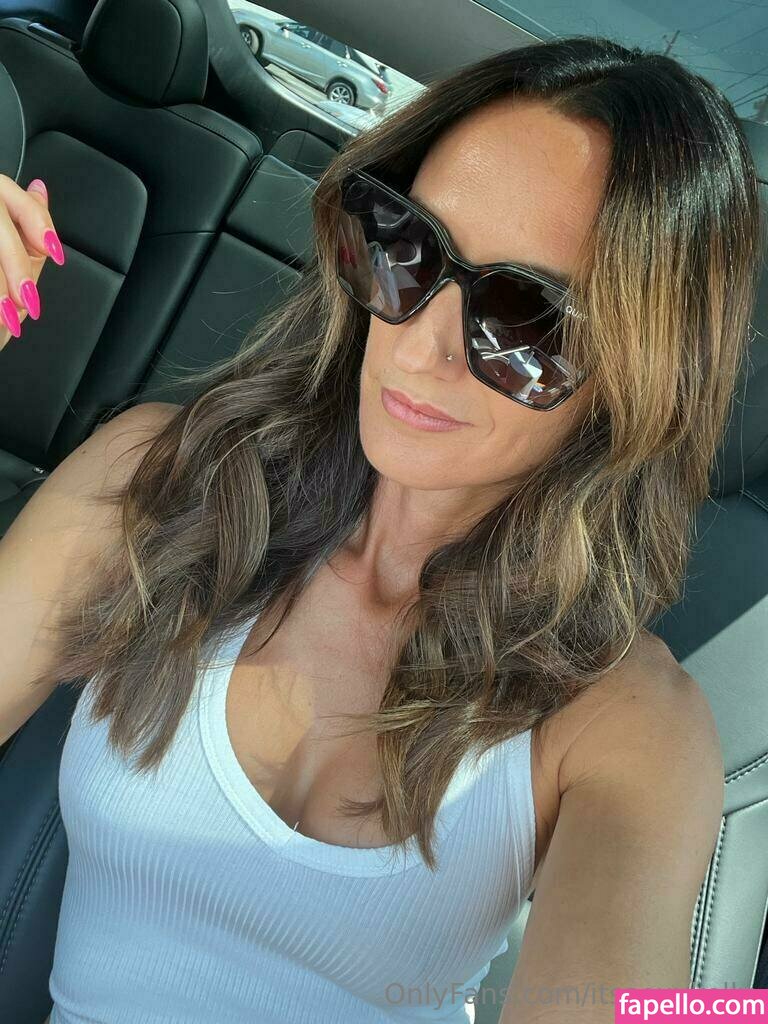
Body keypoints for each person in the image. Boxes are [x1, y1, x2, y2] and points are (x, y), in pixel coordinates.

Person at [1, 35, 761, 1024]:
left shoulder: (626, 725)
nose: (418, 344)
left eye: (525, 321)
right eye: (407, 248)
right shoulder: (153, 481)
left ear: (638, 377)